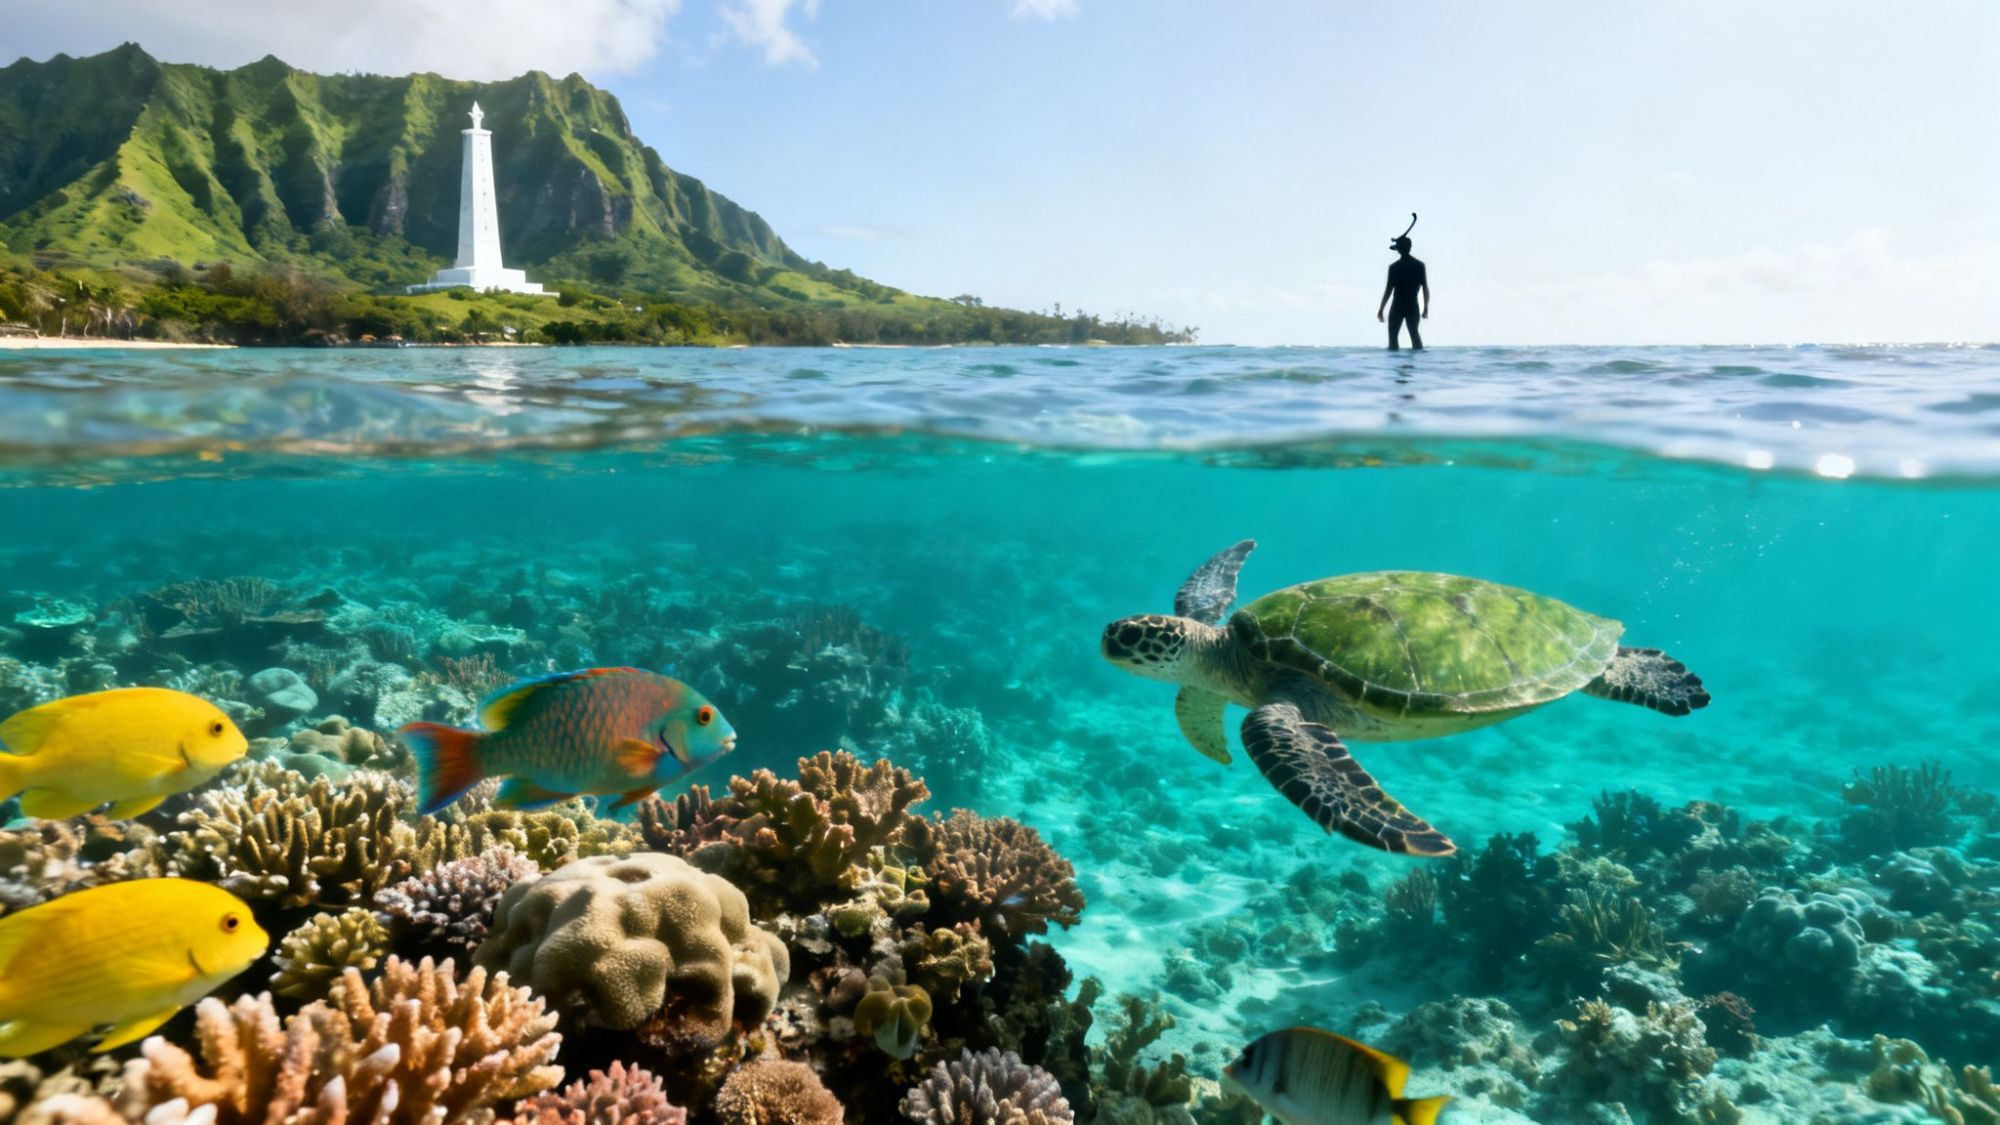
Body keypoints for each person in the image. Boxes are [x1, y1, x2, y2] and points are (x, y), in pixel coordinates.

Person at [1376, 234, 1429, 351]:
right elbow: (1389, 289)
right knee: (1407, 338)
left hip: (1403, 306)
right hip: (1405, 306)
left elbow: (1425, 287)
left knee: (1407, 338)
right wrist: (1381, 308)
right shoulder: (1416, 265)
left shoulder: (1399, 267)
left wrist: (1426, 307)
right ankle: (1416, 366)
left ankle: (1396, 366)